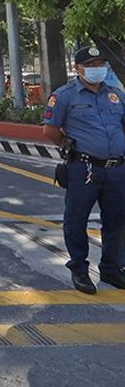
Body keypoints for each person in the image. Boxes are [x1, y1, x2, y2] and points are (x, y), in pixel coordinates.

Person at [43, 46, 125, 294]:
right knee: (76, 220)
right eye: (91, 65)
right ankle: (79, 268)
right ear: (78, 69)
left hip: (116, 169)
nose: (97, 69)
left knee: (118, 221)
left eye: (100, 63)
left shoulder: (115, 95)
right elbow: (50, 130)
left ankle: (112, 268)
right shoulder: (64, 96)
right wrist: (72, 149)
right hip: (84, 168)